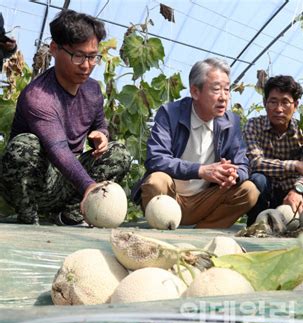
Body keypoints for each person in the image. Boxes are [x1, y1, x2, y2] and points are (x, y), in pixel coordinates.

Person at [0, 9, 131, 225]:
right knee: (25, 145)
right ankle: (28, 219)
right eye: (78, 56)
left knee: (119, 154)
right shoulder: (38, 96)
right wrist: (89, 186)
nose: (86, 65)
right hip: (35, 182)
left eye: (92, 57)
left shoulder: (92, 90)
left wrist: (102, 135)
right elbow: (57, 148)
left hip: (68, 181)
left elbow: (100, 125)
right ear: (54, 49)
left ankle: (70, 216)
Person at [132, 58, 259, 228]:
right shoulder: (170, 114)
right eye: (216, 89)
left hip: (204, 201)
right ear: (195, 91)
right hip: (170, 197)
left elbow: (243, 164)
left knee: (249, 191)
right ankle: (162, 227)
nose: (224, 97)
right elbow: (156, 159)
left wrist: (233, 175)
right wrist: (200, 170)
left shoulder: (231, 122)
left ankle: (204, 232)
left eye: (227, 90)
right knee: (156, 181)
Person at [244, 75, 303, 226]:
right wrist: (296, 165)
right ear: (265, 103)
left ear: (295, 105)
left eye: (285, 102)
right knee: (258, 179)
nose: (279, 109)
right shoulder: (253, 125)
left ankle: (298, 229)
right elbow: (256, 162)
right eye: (273, 102)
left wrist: (297, 190)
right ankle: (254, 226)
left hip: (291, 191)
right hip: (265, 193)